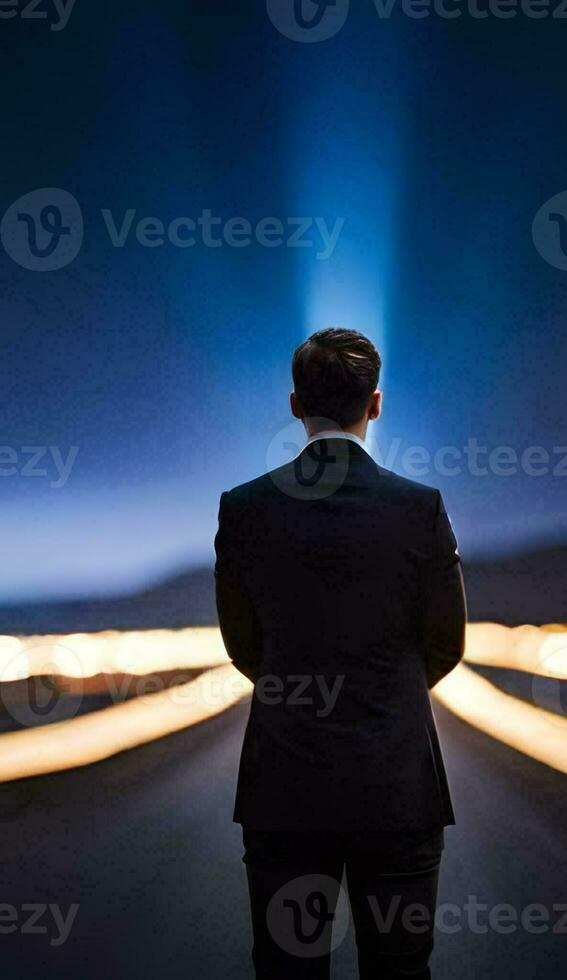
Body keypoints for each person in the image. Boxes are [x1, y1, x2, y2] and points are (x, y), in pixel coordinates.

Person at [215, 328, 467, 978]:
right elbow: (446, 643)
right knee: (400, 969)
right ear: (375, 405)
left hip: (286, 786)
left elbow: (245, 647)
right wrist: (386, 695)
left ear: (296, 404)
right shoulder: (420, 508)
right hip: (396, 788)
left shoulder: (244, 511)